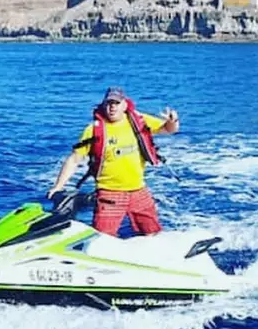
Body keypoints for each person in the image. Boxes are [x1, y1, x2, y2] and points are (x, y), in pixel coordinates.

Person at [46, 86, 180, 236]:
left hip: (138, 191)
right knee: (102, 238)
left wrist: (172, 121)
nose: (112, 107)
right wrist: (58, 186)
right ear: (104, 105)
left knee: (154, 234)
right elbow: (74, 159)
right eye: (109, 103)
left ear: (125, 105)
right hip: (110, 195)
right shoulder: (93, 130)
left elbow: (168, 129)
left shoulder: (139, 121)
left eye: (116, 103)